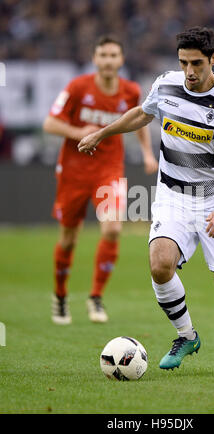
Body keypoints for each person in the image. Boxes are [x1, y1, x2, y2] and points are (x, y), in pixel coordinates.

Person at [78, 27, 214, 375]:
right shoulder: (165, 85)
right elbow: (142, 114)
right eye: (183, 63)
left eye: (196, 63)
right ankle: (186, 336)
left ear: (213, 59)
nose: (189, 71)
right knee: (159, 263)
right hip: (172, 195)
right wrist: (101, 134)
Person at [43, 35, 158, 325]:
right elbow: (50, 123)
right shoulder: (77, 87)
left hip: (109, 170)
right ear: (95, 59)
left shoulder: (131, 91)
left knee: (113, 229)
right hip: (73, 172)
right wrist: (80, 132)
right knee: (69, 239)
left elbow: (139, 121)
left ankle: (95, 297)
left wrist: (146, 153)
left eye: (113, 55)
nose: (108, 61)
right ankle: (59, 296)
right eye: (103, 55)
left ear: (121, 60)